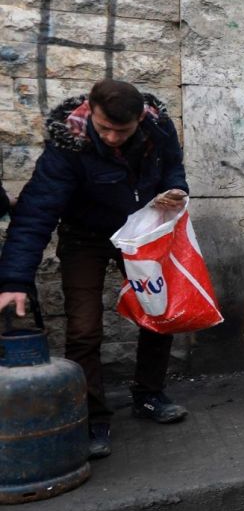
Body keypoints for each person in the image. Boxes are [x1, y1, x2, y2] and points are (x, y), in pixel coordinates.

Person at [0, 79, 190, 459]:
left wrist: (176, 189)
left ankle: (149, 394)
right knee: (84, 328)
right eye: (104, 128)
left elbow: (172, 167)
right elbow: (37, 211)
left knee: (159, 313)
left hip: (139, 232)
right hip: (83, 236)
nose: (113, 138)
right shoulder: (68, 143)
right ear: (92, 112)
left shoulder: (158, 127)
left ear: (140, 118)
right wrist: (14, 280)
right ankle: (91, 417)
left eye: (122, 130)